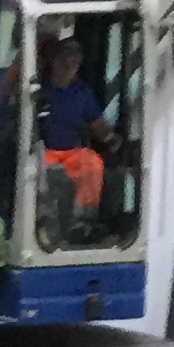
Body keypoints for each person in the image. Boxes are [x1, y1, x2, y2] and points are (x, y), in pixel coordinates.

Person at [36, 33, 115, 230]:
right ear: (53, 61)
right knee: (42, 171)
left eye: (74, 62)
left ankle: (82, 219)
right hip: (44, 152)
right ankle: (44, 222)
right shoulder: (38, 90)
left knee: (92, 164)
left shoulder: (82, 94)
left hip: (72, 152)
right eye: (64, 60)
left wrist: (114, 140)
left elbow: (97, 124)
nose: (68, 66)